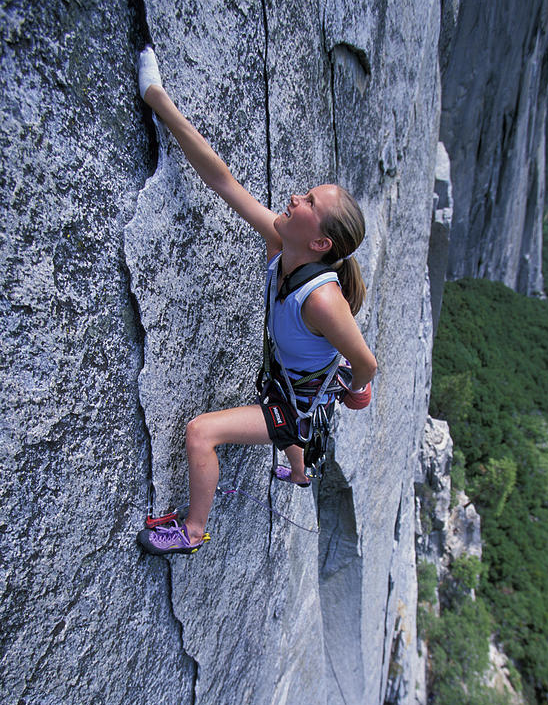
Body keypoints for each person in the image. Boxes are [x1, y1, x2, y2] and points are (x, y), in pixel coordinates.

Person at [136, 47, 377, 556]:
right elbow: (220, 178)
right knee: (290, 406)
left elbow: (366, 362)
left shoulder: (322, 301)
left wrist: (355, 390)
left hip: (293, 400)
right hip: (292, 384)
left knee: (201, 434)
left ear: (321, 244)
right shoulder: (281, 241)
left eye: (309, 203)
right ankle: (297, 469)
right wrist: (158, 98)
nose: (295, 198)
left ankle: (192, 533)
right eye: (306, 193)